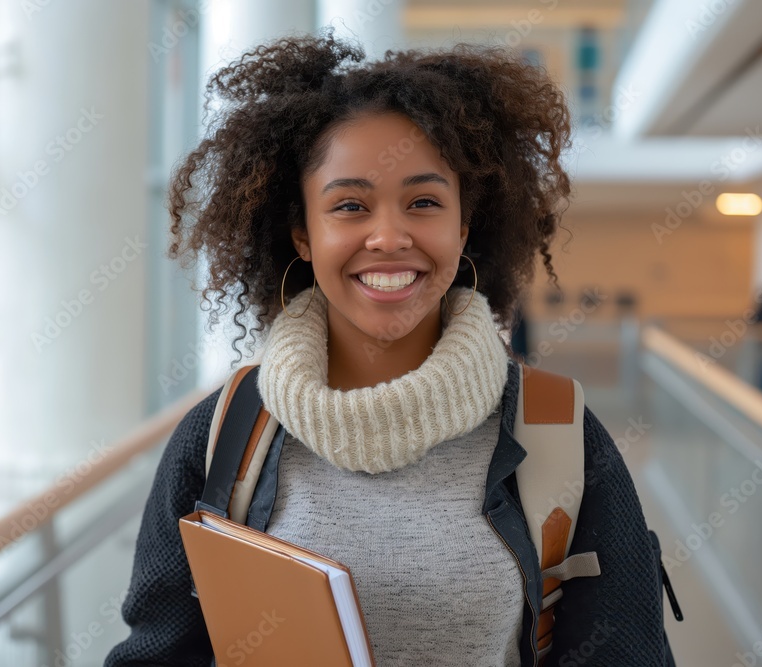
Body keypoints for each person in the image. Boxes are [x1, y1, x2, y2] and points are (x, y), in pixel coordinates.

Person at [107, 30, 671, 666]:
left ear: (463, 228)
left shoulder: (559, 433)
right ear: (302, 234)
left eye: (423, 202)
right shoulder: (224, 435)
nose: (388, 237)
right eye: (349, 205)